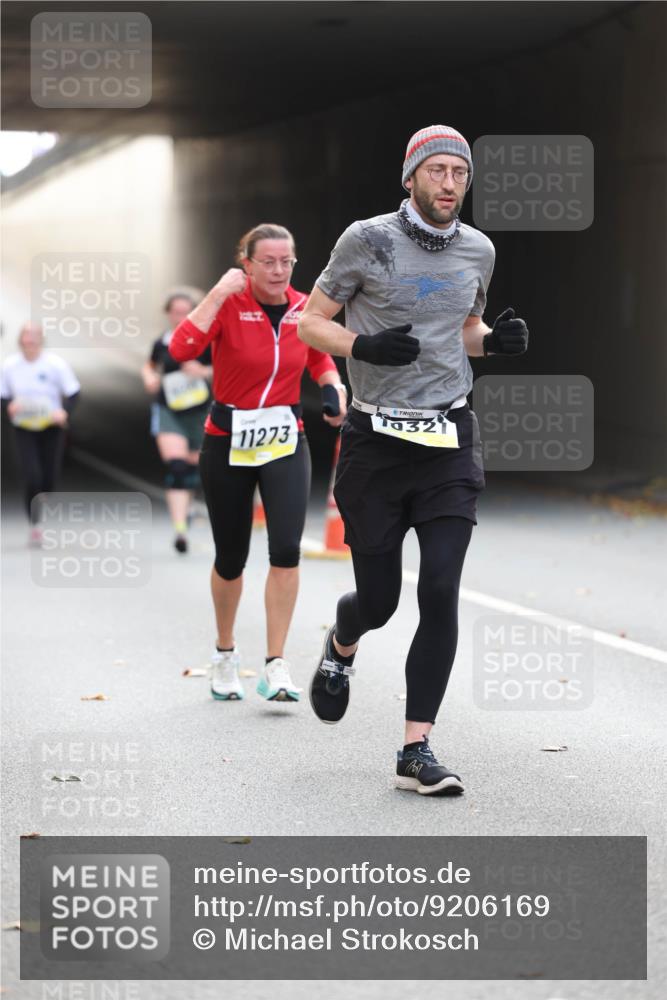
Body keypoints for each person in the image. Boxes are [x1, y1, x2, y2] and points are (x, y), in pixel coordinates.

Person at [298, 125, 529, 795]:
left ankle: (415, 749)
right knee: (379, 601)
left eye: (459, 172)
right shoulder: (365, 240)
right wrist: (360, 348)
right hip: (375, 443)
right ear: (410, 178)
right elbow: (309, 322)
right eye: (437, 171)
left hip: (447, 439)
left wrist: (499, 343)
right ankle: (342, 641)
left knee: (438, 590)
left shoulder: (477, 250)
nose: (449, 183)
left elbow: (462, 334)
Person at [169, 223, 346, 702]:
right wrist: (216, 292)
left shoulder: (302, 306)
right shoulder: (228, 303)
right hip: (227, 442)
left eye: (286, 261)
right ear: (244, 263)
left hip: (285, 440)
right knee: (231, 557)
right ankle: (225, 654)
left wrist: (332, 384)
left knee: (286, 548)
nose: (277, 270)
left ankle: (276, 664)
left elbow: (319, 356)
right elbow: (181, 349)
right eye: (267, 261)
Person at [142, 289, 212, 554]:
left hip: (200, 410)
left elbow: (230, 368)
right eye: (176, 312)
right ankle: (181, 529)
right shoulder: (162, 342)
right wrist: (148, 377)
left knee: (200, 464)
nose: (180, 317)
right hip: (169, 409)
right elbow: (150, 365)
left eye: (186, 312)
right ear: (168, 314)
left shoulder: (207, 338)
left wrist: (204, 371)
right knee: (178, 465)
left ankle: (189, 504)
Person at [1, 323, 80, 545]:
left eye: (35, 336)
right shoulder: (10, 366)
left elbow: (73, 392)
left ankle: (43, 497)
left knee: (48, 477)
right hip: (24, 426)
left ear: (42, 340)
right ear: (20, 339)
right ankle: (35, 525)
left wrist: (64, 412)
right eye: (27, 336)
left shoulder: (55, 364)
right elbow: (3, 394)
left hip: (50, 426)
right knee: (32, 476)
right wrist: (9, 405)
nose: (31, 341)